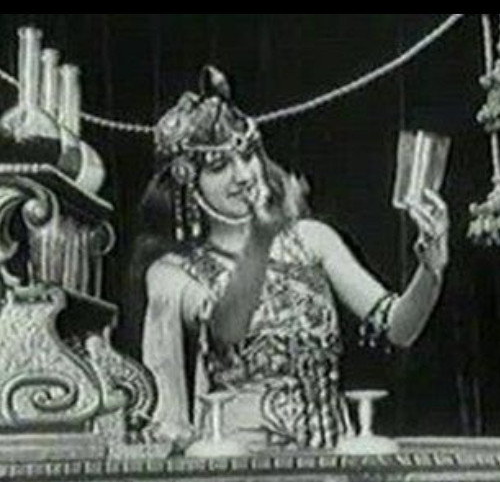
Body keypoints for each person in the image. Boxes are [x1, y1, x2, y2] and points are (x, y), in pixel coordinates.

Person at [137, 65, 449, 455]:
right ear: (188, 183)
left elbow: (399, 328)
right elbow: (227, 328)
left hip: (331, 453)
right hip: (238, 462)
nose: (243, 176)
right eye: (219, 167)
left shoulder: (311, 240)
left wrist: (430, 268)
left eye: (247, 156)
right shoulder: (172, 273)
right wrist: (261, 239)